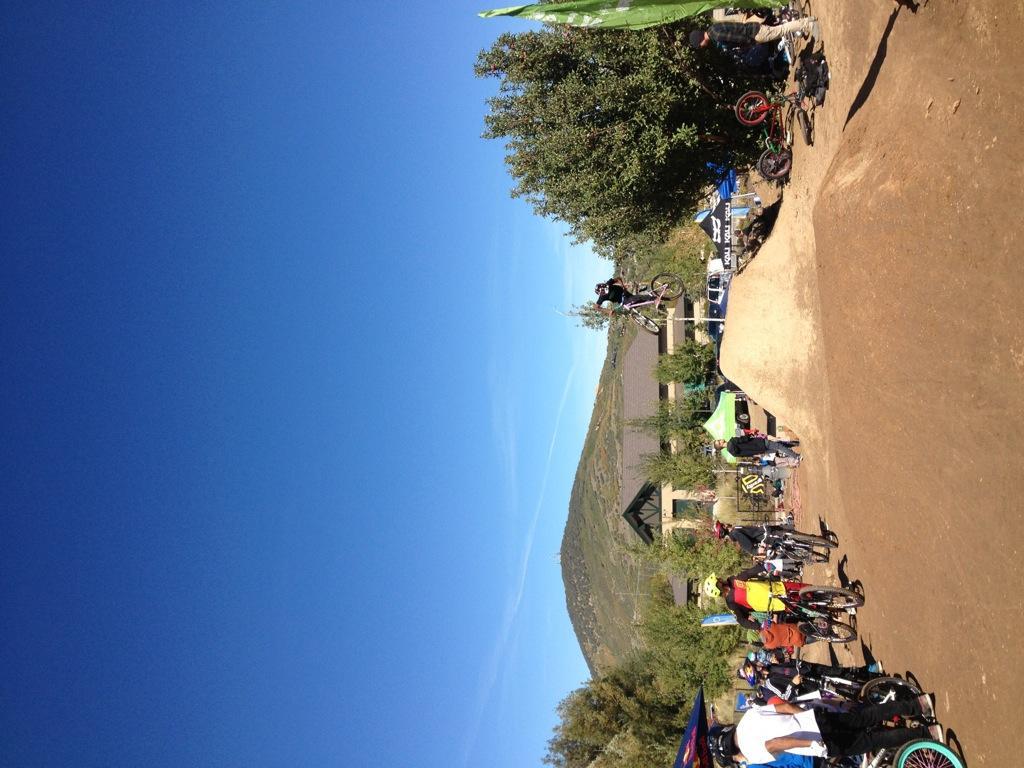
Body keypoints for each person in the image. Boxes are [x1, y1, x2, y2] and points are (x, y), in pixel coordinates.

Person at [716, 695, 942, 762]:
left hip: (820, 743)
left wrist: (810, 743)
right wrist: (804, 717)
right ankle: (918, 704)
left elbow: (776, 744)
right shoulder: (748, 716)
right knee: (865, 716)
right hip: (817, 719)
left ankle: (926, 734)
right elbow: (783, 707)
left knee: (871, 741)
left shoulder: (751, 753)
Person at [702, 568, 806, 630]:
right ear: (718, 587)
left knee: (807, 588)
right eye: (718, 580)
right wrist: (760, 625)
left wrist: (763, 566)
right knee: (806, 607)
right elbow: (742, 621)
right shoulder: (731, 603)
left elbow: (748, 573)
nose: (720, 578)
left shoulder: (733, 580)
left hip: (777, 587)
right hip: (778, 604)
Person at [688, 17, 819, 51]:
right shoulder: (713, 27)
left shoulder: (716, 36)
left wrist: (752, 43)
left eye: (700, 45)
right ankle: (808, 21)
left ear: (700, 40)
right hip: (753, 27)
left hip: (755, 34)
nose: (702, 46)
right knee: (781, 29)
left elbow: (739, 38)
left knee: (782, 30)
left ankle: (808, 25)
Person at [715, 434, 800, 461]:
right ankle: (796, 456)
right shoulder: (732, 441)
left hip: (759, 451)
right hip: (758, 443)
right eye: (719, 441)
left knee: (777, 447)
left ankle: (794, 445)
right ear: (721, 444)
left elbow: (746, 455)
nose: (720, 439)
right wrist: (750, 435)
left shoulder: (732, 453)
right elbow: (746, 438)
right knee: (779, 446)